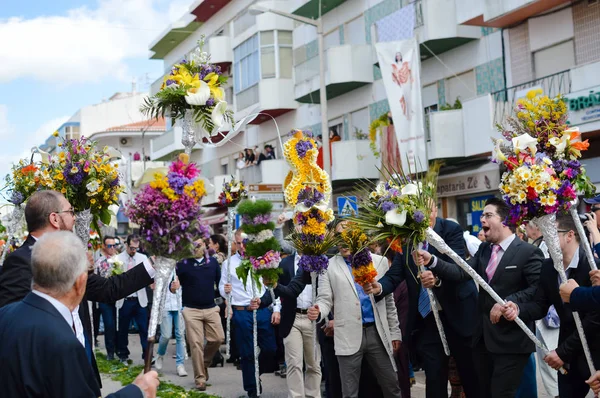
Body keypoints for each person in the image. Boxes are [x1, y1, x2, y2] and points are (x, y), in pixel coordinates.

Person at [0, 190, 154, 387]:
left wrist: (153, 265)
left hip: (83, 365)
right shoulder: (20, 261)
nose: (74, 218)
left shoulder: (70, 256)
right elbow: (17, 331)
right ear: (55, 218)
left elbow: (107, 289)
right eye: (70, 211)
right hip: (52, 377)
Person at [415, 197, 543, 398]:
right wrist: (433, 261)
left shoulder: (529, 252)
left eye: (488, 215)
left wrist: (508, 303)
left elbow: (536, 291)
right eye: (482, 215)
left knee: (502, 393)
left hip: (511, 342)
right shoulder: (484, 249)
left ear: (504, 220)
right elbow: (461, 272)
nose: (482, 219)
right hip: (482, 340)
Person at [365, 200, 480, 398]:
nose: (425, 216)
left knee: (470, 376)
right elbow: (396, 274)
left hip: (458, 314)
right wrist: (379, 287)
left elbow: (458, 268)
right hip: (427, 321)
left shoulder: (450, 230)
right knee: (434, 378)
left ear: (435, 211)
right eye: (419, 212)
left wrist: (436, 278)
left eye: (429, 211)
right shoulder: (407, 238)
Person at [503, 214, 600, 398]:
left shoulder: (593, 266)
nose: (546, 238)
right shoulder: (548, 267)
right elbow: (540, 305)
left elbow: (594, 319)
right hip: (569, 358)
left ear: (570, 235)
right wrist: (518, 309)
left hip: (594, 351)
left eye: (552, 233)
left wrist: (562, 352)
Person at [307, 223, 402, 398]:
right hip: (347, 334)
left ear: (357, 235)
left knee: (391, 387)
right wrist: (318, 310)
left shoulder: (379, 262)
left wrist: (395, 332)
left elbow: (389, 301)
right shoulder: (328, 266)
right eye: (338, 238)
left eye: (347, 237)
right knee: (349, 392)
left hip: (377, 333)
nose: (342, 243)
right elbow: (325, 298)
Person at [219, 229, 280, 398]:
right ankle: (252, 390)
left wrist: (276, 309)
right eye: (238, 243)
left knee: (270, 349)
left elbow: (273, 287)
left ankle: (255, 372)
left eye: (244, 242)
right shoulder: (228, 264)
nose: (242, 247)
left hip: (261, 310)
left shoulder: (263, 260)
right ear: (235, 243)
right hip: (241, 312)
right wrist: (225, 291)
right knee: (247, 353)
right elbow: (222, 289)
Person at [268, 252, 322, 398]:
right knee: (293, 364)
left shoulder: (321, 260)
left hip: (313, 317)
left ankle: (313, 396)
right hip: (292, 318)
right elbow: (279, 291)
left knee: (314, 364)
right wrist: (274, 308)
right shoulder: (285, 263)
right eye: (299, 227)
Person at [173, 239, 224, 391]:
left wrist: (227, 299)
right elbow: (173, 286)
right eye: (193, 245)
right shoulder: (182, 264)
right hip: (191, 310)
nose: (196, 247)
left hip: (211, 308)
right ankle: (200, 379)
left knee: (218, 338)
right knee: (195, 344)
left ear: (205, 245)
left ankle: (203, 364)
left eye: (199, 244)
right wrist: (173, 287)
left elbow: (221, 284)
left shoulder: (213, 263)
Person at [525, 220, 558, 397]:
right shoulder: (537, 245)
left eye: (528, 225)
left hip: (552, 315)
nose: (526, 229)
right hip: (542, 314)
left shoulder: (547, 246)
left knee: (552, 359)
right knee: (546, 361)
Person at [115, 234, 150, 363]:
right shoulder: (118, 259)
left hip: (140, 299)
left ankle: (147, 354)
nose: (134, 250)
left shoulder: (143, 258)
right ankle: (123, 354)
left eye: (136, 248)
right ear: (126, 245)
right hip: (125, 299)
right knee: (123, 329)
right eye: (131, 248)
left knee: (143, 328)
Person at [155, 268, 188, 377]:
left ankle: (180, 364)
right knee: (166, 335)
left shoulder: (182, 267)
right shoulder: (162, 267)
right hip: (165, 305)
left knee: (180, 335)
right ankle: (160, 354)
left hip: (180, 304)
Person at [94, 235, 120, 361]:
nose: (112, 248)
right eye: (110, 246)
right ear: (104, 246)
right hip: (105, 298)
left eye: (114, 245)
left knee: (118, 325)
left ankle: (120, 350)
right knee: (109, 325)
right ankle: (110, 353)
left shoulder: (119, 260)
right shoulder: (99, 262)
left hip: (119, 297)